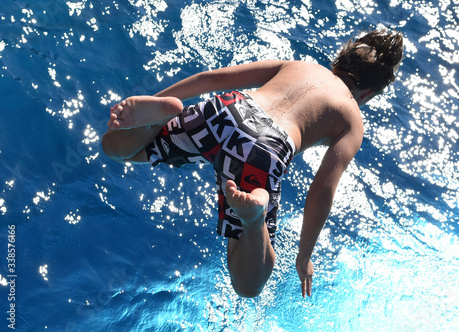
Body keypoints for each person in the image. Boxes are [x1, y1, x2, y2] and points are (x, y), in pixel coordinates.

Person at [101, 28, 404, 298]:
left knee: (116, 149)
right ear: (369, 93)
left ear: (338, 62)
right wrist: (304, 256)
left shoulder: (301, 66)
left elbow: (215, 78)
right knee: (248, 284)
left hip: (228, 109)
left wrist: (159, 98)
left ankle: (158, 115)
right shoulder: (353, 120)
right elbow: (322, 190)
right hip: (264, 149)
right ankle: (253, 217)